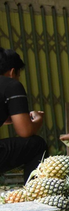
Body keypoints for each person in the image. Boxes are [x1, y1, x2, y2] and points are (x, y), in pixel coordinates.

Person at [0, 48, 47, 179]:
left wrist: (8, 119)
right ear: (12, 72)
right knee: (37, 144)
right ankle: (33, 191)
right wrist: (38, 120)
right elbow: (25, 131)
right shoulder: (11, 85)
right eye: (18, 74)